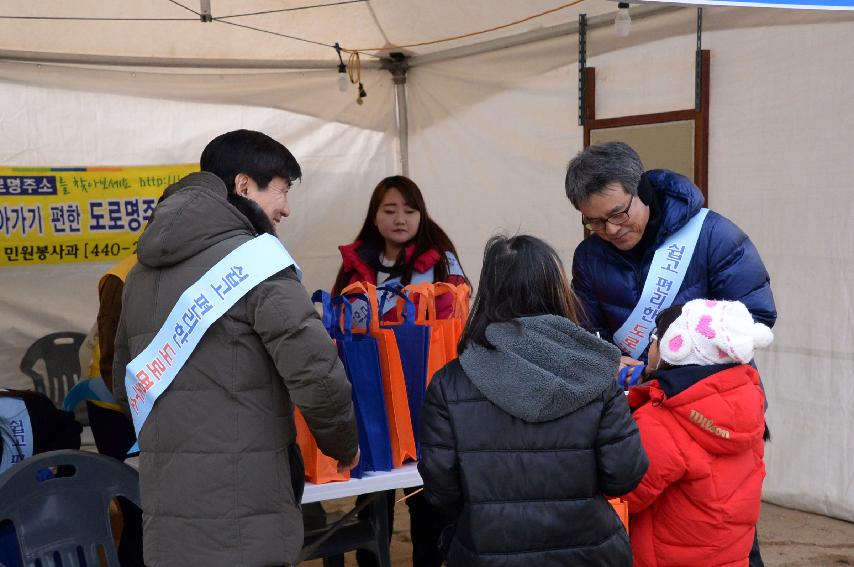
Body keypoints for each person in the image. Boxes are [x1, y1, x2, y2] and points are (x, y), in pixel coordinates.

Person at [113, 129, 359, 567]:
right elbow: (317, 373)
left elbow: (124, 384)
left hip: (167, 513)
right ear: (244, 186)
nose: (285, 208)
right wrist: (344, 444)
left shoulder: (139, 273)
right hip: (248, 516)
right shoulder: (257, 263)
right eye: (281, 191)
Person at [418, 234, 649, 566]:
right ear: (557, 290)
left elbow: (440, 488)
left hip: (485, 551)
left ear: (488, 293)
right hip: (590, 552)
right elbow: (624, 474)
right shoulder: (597, 373)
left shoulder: (450, 383)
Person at [332, 175, 467, 567]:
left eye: (409, 210)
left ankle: (428, 559)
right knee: (372, 490)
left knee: (426, 487)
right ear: (374, 217)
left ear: (421, 215)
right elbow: (340, 319)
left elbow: (454, 314)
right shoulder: (356, 264)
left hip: (426, 391)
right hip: (372, 393)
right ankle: (371, 559)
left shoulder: (440, 259)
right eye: (389, 210)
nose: (400, 219)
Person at [564, 141, 776, 371]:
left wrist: (677, 358)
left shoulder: (713, 236)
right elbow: (586, 329)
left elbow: (754, 318)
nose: (611, 229)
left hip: (709, 396)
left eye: (618, 214)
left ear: (642, 191)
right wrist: (604, 361)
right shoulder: (589, 256)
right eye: (595, 221)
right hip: (633, 399)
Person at [624, 299, 771, 566]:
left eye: (656, 338)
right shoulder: (750, 404)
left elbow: (627, 494)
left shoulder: (662, 419)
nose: (651, 347)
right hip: (730, 555)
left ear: (678, 348)